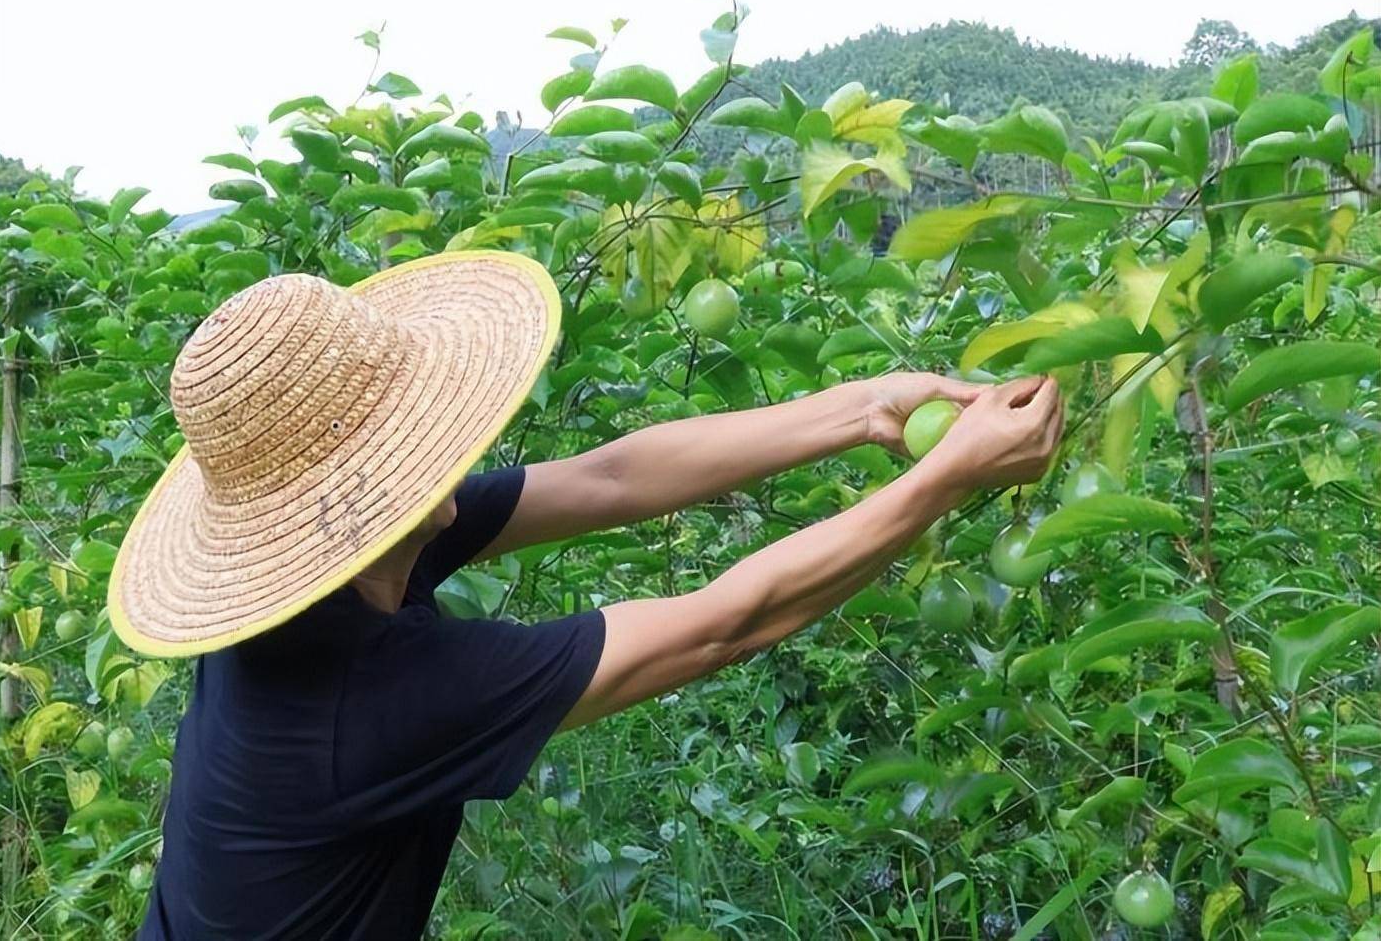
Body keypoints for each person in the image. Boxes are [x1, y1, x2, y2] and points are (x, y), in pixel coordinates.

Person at [108, 251, 1063, 940]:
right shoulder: (370, 697)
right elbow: (726, 624)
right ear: (367, 486)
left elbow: (608, 479)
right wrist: (947, 481)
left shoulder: (336, 563)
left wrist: (862, 410)